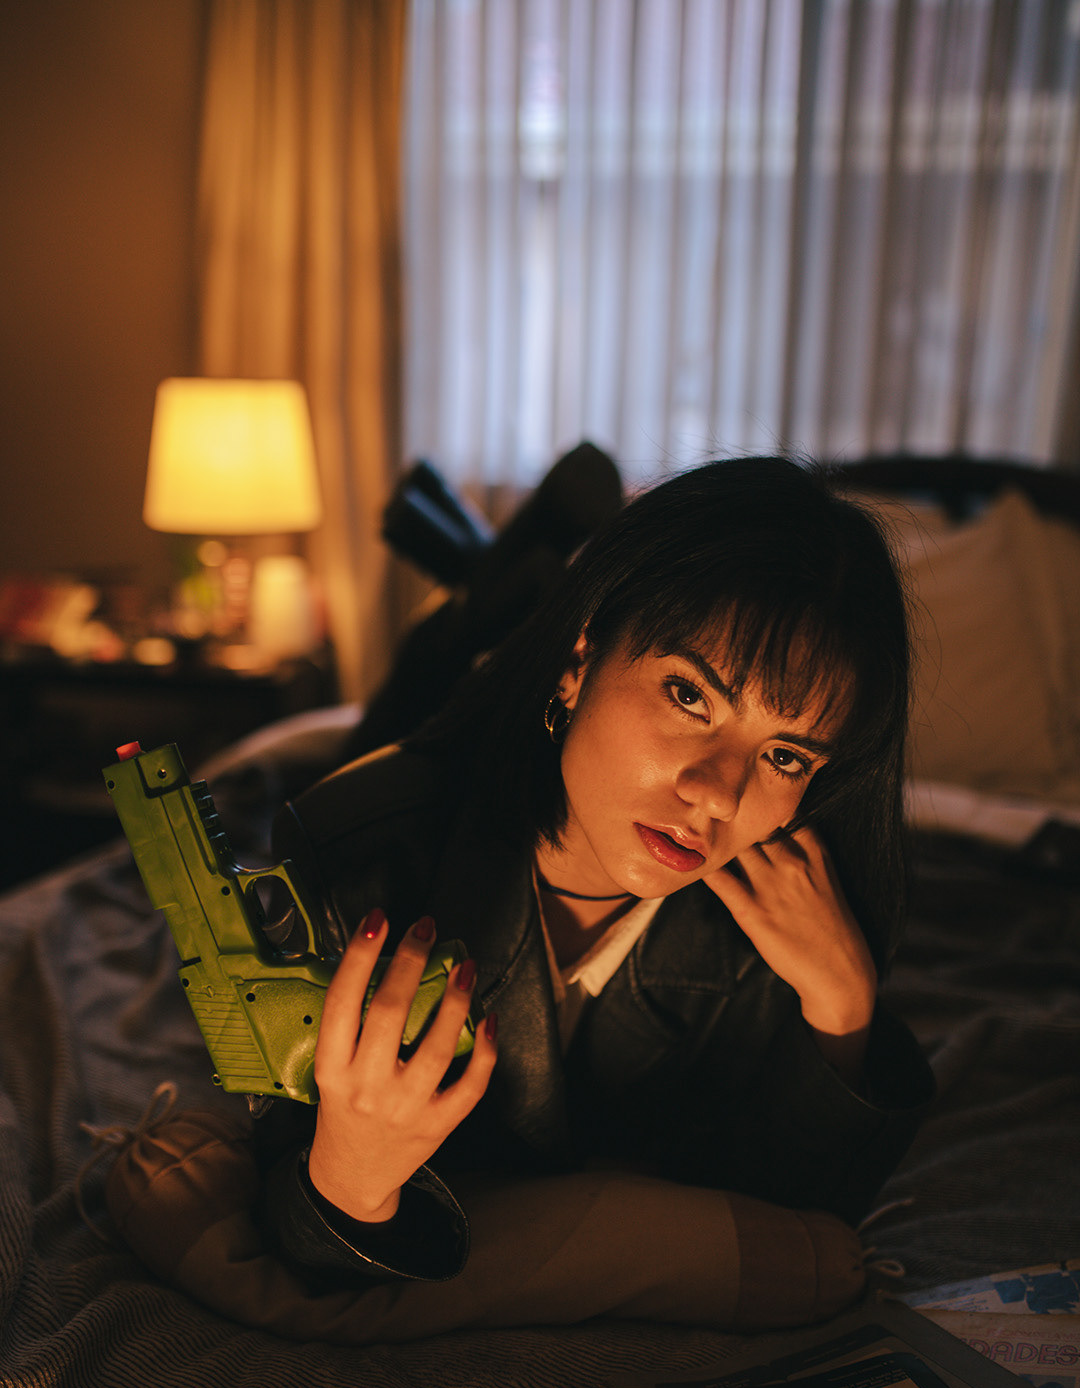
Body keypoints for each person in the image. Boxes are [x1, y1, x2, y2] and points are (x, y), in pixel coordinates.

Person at [260, 455, 935, 1325]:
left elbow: (795, 1226)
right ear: (580, 659)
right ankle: (489, 598)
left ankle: (506, 577)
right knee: (425, 687)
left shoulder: (786, 914)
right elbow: (277, 1212)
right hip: (458, 751)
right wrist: (348, 1172)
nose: (717, 795)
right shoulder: (353, 858)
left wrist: (843, 1013)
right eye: (689, 696)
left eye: (784, 755)